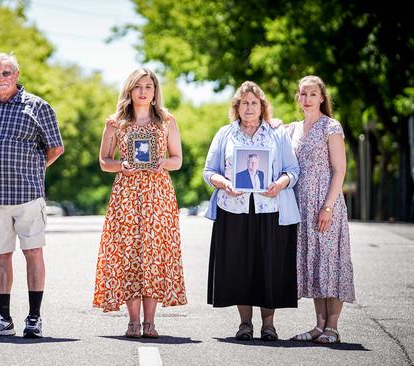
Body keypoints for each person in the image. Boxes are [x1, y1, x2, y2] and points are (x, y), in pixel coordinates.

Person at [0, 53, 64, 339]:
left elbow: (55, 148)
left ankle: (34, 318)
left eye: (6, 73)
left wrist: (32, 169)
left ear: (17, 74)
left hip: (27, 195)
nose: (1, 79)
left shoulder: (38, 106)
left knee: (33, 253)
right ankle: (3, 318)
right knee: (0, 257)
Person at [203, 80, 300, 341]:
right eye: (244, 103)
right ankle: (244, 324)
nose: (249, 107)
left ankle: (268, 325)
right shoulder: (225, 134)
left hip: (270, 210)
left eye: (254, 103)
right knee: (239, 268)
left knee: (268, 267)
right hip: (233, 211)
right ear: (237, 107)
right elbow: (208, 171)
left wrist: (280, 184)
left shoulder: (277, 134)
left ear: (262, 106)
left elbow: (293, 170)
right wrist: (223, 183)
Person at [93, 68, 187, 338]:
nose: (144, 91)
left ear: (155, 91)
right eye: (138, 86)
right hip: (126, 193)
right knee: (129, 255)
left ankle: (150, 322)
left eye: (149, 86)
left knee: (154, 255)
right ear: (130, 90)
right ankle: (133, 321)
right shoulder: (115, 122)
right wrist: (121, 165)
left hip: (158, 194)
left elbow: (177, 160)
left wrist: (162, 163)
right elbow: (104, 162)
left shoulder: (167, 121)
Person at [287, 75, 355, 344]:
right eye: (302, 94)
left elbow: (340, 170)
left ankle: (333, 327)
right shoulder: (293, 129)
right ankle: (318, 325)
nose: (306, 99)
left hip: (326, 203)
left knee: (331, 262)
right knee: (314, 264)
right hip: (302, 204)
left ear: (322, 98)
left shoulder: (331, 126)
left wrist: (327, 206)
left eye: (312, 94)